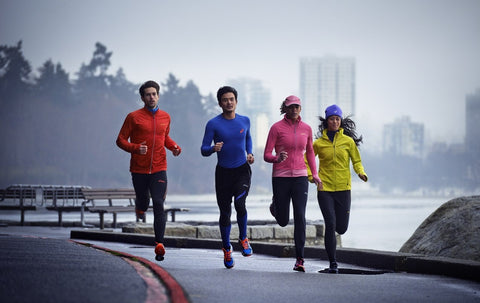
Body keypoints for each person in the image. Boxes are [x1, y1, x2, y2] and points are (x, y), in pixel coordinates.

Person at [116, 80, 181, 262]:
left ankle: (159, 244)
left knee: (159, 203)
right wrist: (136, 148)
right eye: (147, 94)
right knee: (144, 203)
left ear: (158, 95)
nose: (151, 97)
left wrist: (174, 147)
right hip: (139, 169)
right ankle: (140, 206)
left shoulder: (165, 117)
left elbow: (164, 137)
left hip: (160, 168)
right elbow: (120, 140)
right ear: (142, 97)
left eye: (154, 94)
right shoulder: (133, 117)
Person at [263, 95, 322, 272]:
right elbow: (266, 154)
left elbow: (310, 152)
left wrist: (315, 174)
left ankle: (300, 259)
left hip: (300, 178)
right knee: (282, 221)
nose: (294, 109)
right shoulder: (276, 128)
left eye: (297, 107)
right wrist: (276, 158)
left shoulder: (307, 129)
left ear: (300, 109)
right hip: (280, 177)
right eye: (291, 107)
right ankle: (276, 206)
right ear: (285, 109)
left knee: (300, 217)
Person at [307, 104, 368, 274]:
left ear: (341, 121)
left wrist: (361, 173)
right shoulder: (318, 143)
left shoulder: (348, 142)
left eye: (337, 119)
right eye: (332, 119)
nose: (335, 122)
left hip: (343, 189)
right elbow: (307, 159)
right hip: (324, 189)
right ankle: (333, 262)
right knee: (330, 223)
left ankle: (333, 259)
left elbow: (356, 161)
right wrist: (311, 176)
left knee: (341, 228)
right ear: (327, 121)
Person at [200, 86, 255, 269]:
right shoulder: (213, 124)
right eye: (225, 100)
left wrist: (250, 153)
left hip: (242, 170)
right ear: (220, 103)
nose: (229, 102)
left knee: (240, 204)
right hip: (223, 173)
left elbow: (248, 138)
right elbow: (203, 149)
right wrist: (212, 148)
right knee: (225, 213)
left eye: (232, 99)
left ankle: (243, 238)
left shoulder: (245, 121)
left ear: (236, 101)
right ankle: (226, 248)